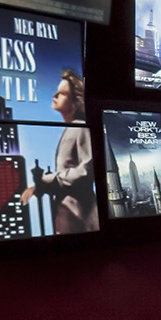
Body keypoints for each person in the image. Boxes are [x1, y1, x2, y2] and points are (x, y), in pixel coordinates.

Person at [21, 70, 98, 236]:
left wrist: (47, 180)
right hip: (68, 216)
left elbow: (85, 171)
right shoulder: (69, 129)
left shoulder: (80, 128)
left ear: (76, 102)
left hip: (79, 217)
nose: (55, 95)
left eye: (62, 93)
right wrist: (40, 185)